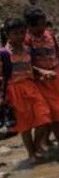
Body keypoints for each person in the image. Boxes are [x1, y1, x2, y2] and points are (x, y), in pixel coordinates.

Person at [0, 18, 52, 162]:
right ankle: (31, 154)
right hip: (14, 91)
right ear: (7, 34)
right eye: (16, 33)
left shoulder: (27, 49)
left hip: (31, 87)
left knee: (44, 117)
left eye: (22, 33)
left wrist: (42, 72)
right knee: (26, 125)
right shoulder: (3, 54)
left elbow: (30, 67)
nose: (20, 36)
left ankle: (36, 147)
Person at [24, 6, 59, 152]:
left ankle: (47, 142)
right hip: (40, 82)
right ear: (31, 25)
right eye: (40, 24)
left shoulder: (49, 35)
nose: (43, 26)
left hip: (55, 77)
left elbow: (58, 55)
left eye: (44, 23)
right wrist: (40, 72)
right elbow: (26, 63)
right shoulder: (26, 40)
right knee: (53, 114)